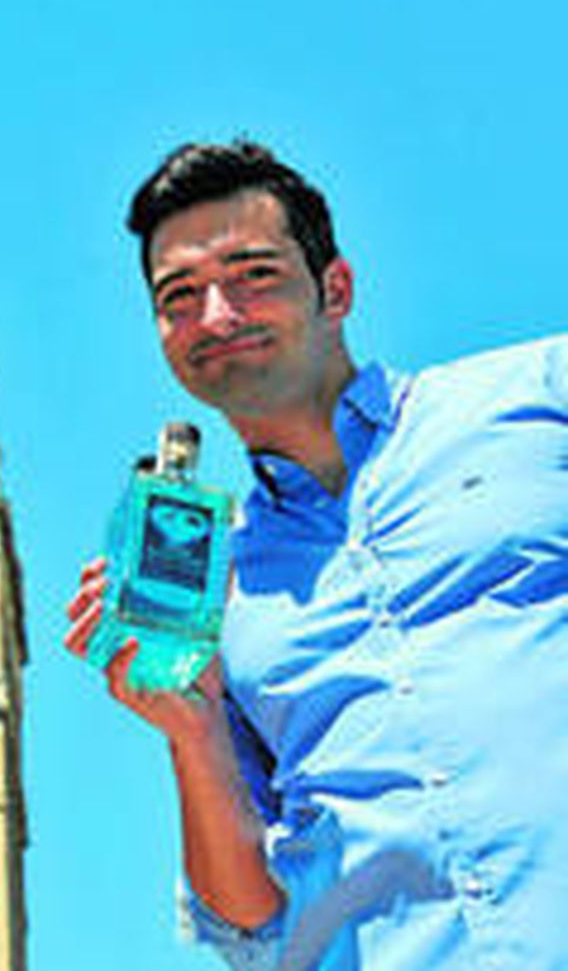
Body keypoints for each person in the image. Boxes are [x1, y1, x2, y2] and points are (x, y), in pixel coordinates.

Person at [64, 141, 568, 968]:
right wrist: (190, 730)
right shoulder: (214, 595)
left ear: (336, 286)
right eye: (179, 296)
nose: (217, 315)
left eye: (253, 273)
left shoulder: (537, 399)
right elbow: (250, 924)